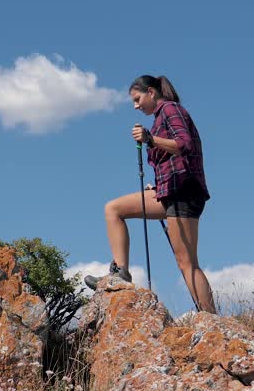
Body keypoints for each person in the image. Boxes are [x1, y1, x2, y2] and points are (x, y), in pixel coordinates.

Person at [84, 75, 217, 314]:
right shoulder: (159, 118)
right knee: (113, 209)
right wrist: (157, 184)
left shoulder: (170, 109)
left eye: (137, 99)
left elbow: (184, 144)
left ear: (152, 92)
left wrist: (150, 139)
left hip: (183, 193)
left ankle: (211, 319)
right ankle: (120, 272)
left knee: (186, 262)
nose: (136, 106)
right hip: (168, 192)